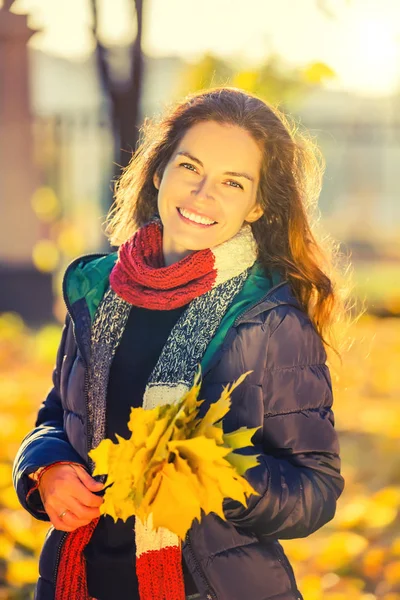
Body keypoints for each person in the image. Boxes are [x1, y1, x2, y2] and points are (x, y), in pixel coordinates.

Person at [13, 86, 351, 600]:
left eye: (232, 183)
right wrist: (45, 468)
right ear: (159, 171)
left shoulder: (268, 320)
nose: (202, 194)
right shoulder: (98, 291)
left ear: (258, 206)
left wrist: (214, 476)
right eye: (190, 167)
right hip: (79, 581)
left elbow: (316, 490)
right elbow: (58, 414)